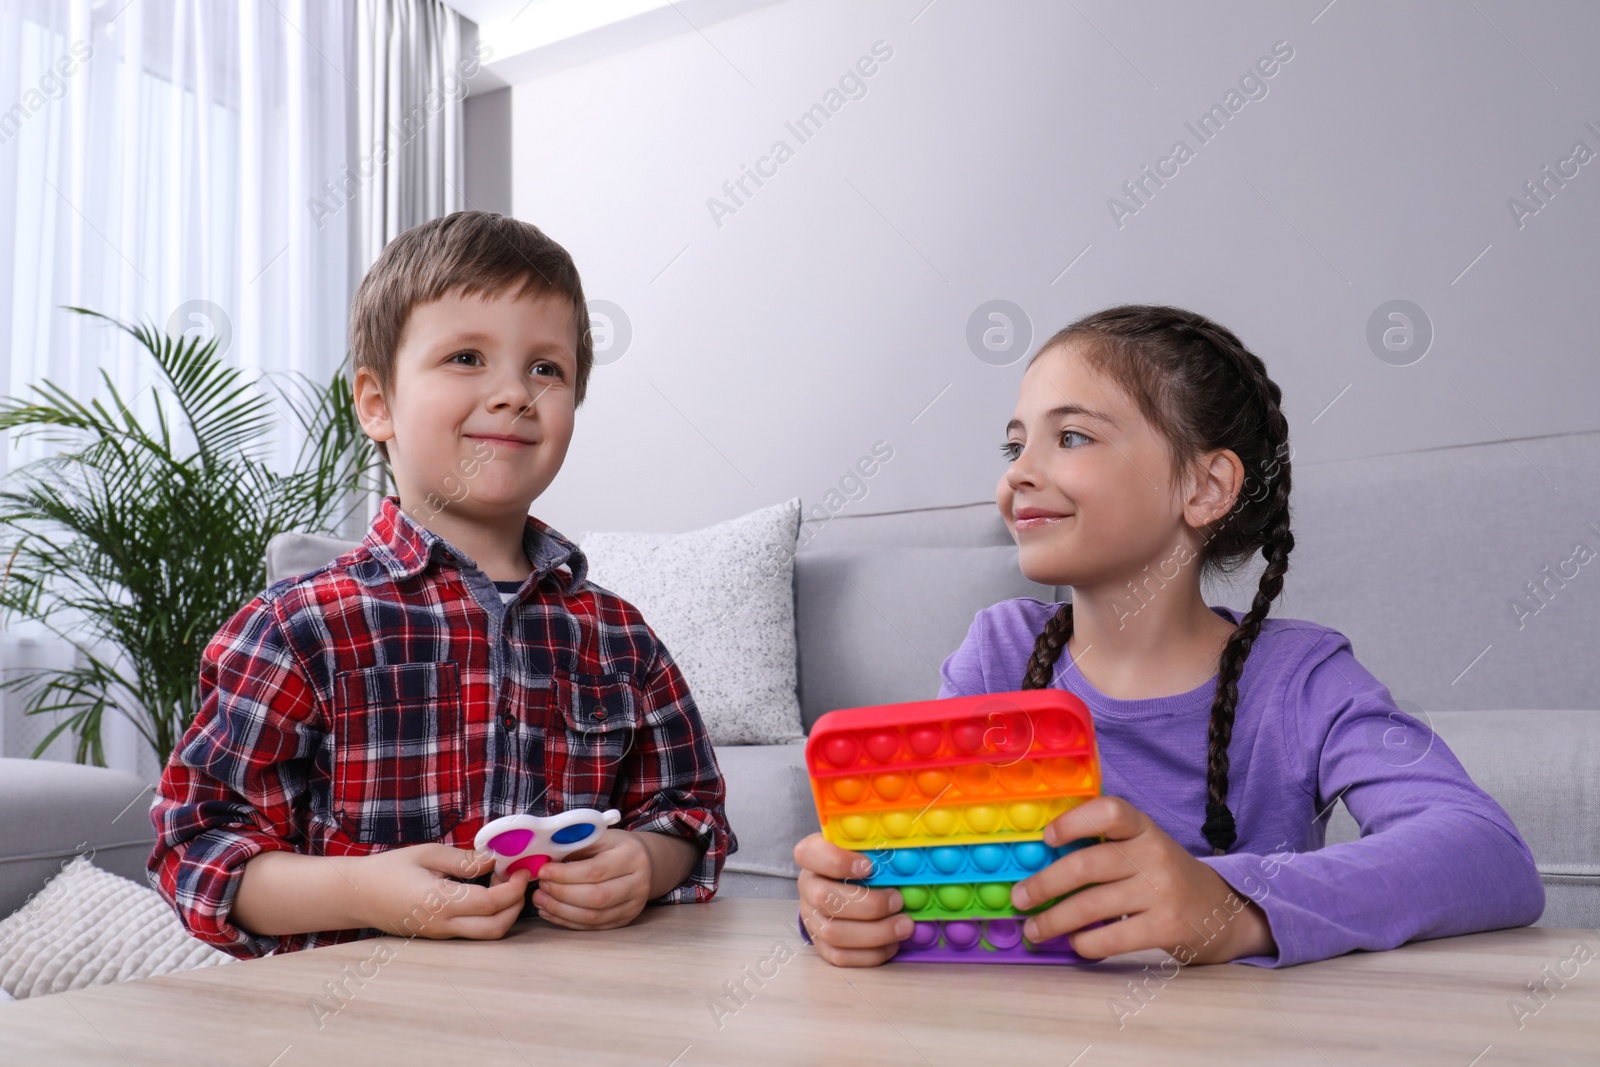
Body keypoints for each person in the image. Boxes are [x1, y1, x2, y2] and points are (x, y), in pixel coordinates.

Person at [793, 304, 1543, 968]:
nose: (1020, 473)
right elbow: (921, 867)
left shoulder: (1299, 678)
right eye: (1014, 446)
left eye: (1074, 435)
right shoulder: (999, 654)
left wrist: (1229, 902)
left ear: (1206, 486)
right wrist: (848, 905)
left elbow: (1487, 853)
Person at [149, 210, 734, 958]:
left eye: (546, 368)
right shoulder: (298, 628)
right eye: (466, 357)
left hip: (573, 1012)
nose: (514, 393)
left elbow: (692, 810)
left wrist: (648, 865)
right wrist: (361, 889)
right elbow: (195, 849)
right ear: (376, 403)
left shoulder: (619, 635)